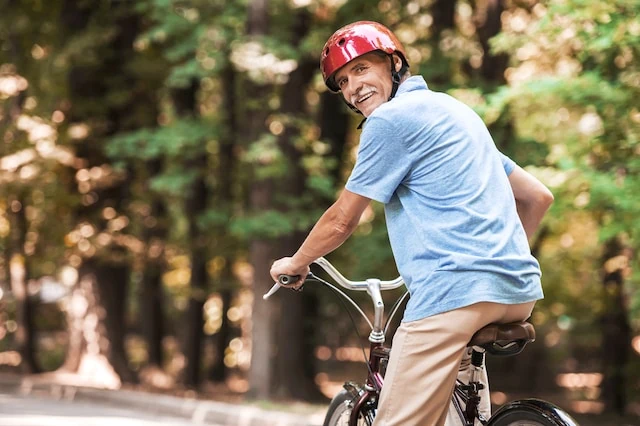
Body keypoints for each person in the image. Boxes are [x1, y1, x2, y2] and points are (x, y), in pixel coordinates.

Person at [269, 21, 554, 425]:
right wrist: (500, 257)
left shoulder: (390, 121)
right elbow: (538, 196)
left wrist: (296, 262)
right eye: (343, 81)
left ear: (393, 64)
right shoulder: (456, 111)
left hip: (454, 293)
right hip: (518, 289)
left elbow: (342, 218)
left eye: (362, 69)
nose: (353, 87)